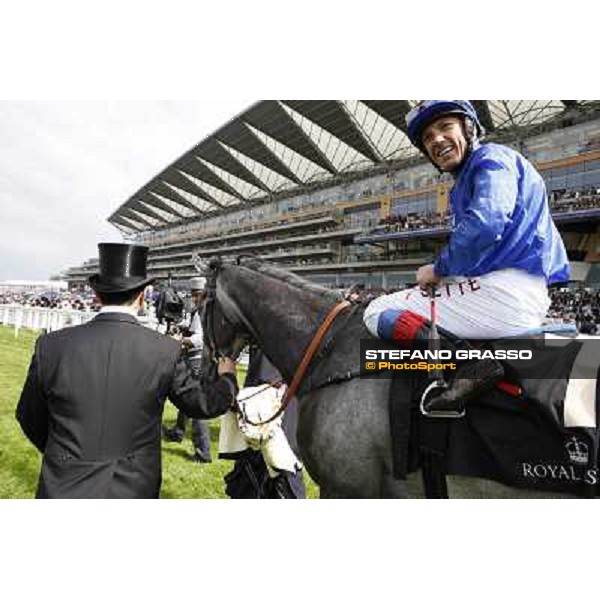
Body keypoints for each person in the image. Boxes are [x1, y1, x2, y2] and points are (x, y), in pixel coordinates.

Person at [364, 100, 570, 415]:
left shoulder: (491, 158)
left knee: (376, 310)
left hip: (507, 291)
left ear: (469, 128)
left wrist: (439, 268)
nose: (436, 140)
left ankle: (472, 364)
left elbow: (487, 224)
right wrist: (448, 276)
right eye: (428, 137)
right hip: (509, 288)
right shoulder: (473, 175)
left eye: (445, 127)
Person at [16, 243, 238, 499]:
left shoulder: (51, 346)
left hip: (63, 485)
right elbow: (203, 405)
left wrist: (63, 454)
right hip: (133, 488)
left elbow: (29, 416)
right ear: (142, 296)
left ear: (98, 296)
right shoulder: (165, 350)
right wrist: (228, 377)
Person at [163, 276, 212, 463]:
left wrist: (180, 340)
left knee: (196, 404)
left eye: (195, 294)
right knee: (186, 394)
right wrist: (184, 328)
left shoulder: (202, 311)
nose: (193, 298)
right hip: (201, 358)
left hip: (197, 359)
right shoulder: (204, 310)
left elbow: (200, 338)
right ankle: (178, 431)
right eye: (192, 294)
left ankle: (203, 451)